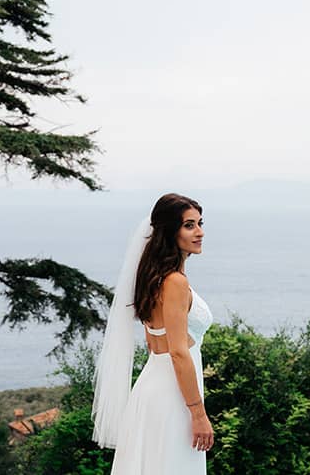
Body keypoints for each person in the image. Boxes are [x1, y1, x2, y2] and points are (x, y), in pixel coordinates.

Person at [92, 193, 215, 473]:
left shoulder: (154, 278)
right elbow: (178, 352)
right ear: (170, 232)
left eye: (200, 223)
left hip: (152, 390)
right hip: (174, 398)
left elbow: (152, 342)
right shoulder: (175, 282)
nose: (200, 232)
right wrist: (198, 413)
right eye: (189, 225)